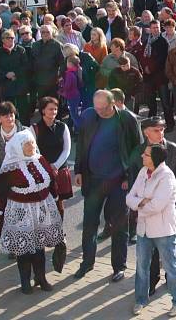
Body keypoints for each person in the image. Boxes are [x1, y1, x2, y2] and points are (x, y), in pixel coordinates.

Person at [74, 90, 143, 281]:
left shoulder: (127, 120)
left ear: (113, 104)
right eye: (96, 108)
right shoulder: (89, 115)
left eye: (103, 108)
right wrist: (78, 170)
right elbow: (81, 143)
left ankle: (119, 267)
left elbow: (137, 150)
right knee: (90, 224)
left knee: (118, 225)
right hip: (93, 179)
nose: (99, 112)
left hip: (118, 181)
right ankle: (87, 263)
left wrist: (130, 179)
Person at [0, 129, 64, 294]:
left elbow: (52, 183)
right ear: (18, 146)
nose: (31, 146)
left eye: (32, 142)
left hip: (41, 210)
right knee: (24, 248)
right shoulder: (10, 168)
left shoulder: (40, 160)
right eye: (26, 144)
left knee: (39, 246)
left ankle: (41, 278)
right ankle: (25, 282)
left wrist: (57, 205)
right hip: (21, 212)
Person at [126, 144, 176, 317]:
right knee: (142, 266)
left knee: (170, 267)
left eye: (146, 155)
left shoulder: (167, 177)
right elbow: (130, 197)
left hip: (163, 231)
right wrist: (141, 201)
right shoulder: (143, 171)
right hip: (144, 229)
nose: (142, 156)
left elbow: (157, 205)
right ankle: (141, 300)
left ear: (155, 159)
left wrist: (140, 203)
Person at [32, 97, 73, 217]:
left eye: (55, 109)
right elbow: (33, 152)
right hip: (42, 171)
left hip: (59, 170)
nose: (53, 112)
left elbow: (67, 149)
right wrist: (46, 166)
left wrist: (55, 165)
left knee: (59, 203)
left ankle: (59, 233)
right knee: (42, 204)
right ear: (43, 110)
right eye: (50, 109)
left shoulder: (62, 127)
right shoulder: (34, 129)